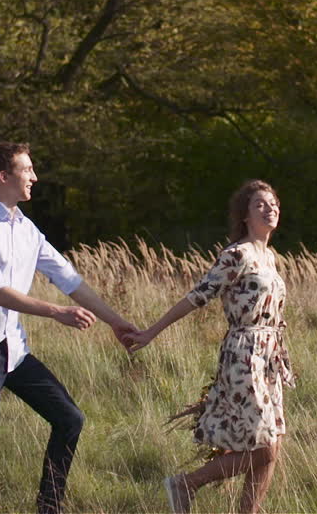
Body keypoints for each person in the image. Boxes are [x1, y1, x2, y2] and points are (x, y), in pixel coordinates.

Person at [0, 142, 137, 514]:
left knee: (70, 419)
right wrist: (56, 313)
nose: (34, 177)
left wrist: (116, 322)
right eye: (27, 170)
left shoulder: (28, 230)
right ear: (4, 176)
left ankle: (48, 507)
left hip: (14, 352)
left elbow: (69, 279)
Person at [124, 180, 295, 514]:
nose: (270, 208)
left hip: (268, 355)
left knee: (270, 441)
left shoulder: (270, 257)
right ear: (245, 215)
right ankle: (186, 484)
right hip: (243, 355)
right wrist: (151, 332)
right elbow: (197, 296)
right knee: (265, 450)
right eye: (260, 204)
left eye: (273, 203)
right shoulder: (236, 255)